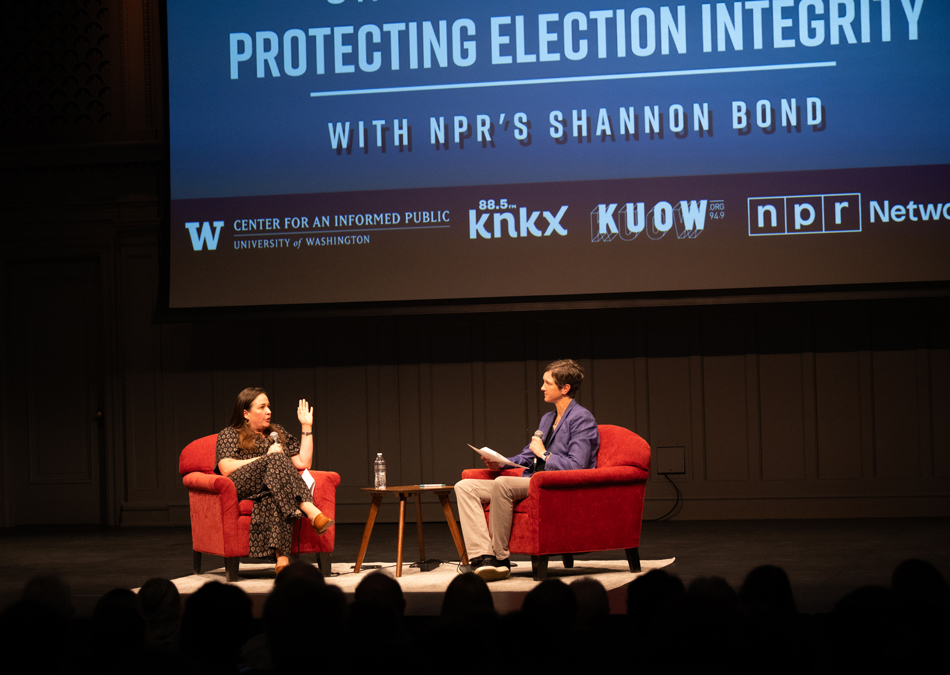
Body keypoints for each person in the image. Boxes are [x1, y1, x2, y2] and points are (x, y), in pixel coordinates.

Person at [455, 359, 599, 581]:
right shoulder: (547, 418)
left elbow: (576, 466)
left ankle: (500, 559)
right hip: (532, 479)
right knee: (465, 487)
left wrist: (545, 454)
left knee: (503, 484)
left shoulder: (581, 418)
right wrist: (501, 462)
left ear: (565, 388)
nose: (542, 387)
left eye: (547, 383)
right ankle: (482, 557)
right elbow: (528, 454)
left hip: (556, 484)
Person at [216, 387, 333, 575]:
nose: (268, 411)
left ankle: (282, 559)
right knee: (277, 458)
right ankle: (312, 511)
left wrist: (306, 426)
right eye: (262, 407)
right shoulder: (230, 433)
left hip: (270, 488)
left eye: (268, 406)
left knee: (273, 496)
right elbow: (226, 467)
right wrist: (266, 458)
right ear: (246, 413)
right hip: (241, 484)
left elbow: (304, 462)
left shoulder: (277, 433)